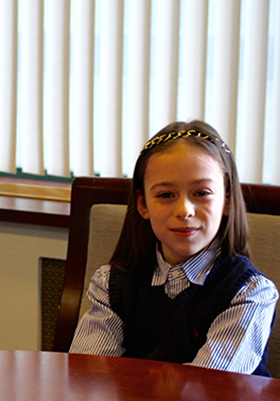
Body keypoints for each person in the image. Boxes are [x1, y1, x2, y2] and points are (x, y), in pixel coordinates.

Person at [69, 120, 278, 376]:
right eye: (166, 195)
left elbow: (208, 388)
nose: (184, 211)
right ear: (143, 205)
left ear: (227, 201)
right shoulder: (110, 285)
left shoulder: (250, 293)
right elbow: (89, 377)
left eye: (201, 193)